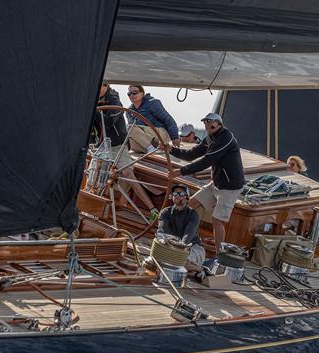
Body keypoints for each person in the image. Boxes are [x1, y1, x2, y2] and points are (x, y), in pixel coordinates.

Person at [166, 113, 245, 249]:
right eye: (205, 123)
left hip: (230, 188)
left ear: (219, 124)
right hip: (216, 184)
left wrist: (179, 172)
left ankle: (219, 255)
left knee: (217, 220)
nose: (207, 124)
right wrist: (171, 150)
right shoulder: (210, 138)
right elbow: (191, 155)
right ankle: (182, 237)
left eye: (210, 122)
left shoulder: (225, 137)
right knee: (190, 204)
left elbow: (206, 162)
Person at [93, 82, 155, 212]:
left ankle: (152, 209)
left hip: (117, 145)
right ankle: (90, 204)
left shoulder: (114, 100)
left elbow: (109, 121)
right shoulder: (92, 97)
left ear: (106, 86)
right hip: (100, 145)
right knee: (94, 171)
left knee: (127, 173)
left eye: (100, 85)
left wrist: (92, 110)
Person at [158, 184, 206, 280]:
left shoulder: (193, 215)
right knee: (156, 261)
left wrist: (177, 250)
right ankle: (194, 273)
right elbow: (163, 233)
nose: (177, 195)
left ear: (187, 197)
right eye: (175, 193)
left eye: (181, 193)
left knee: (176, 261)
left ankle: (200, 269)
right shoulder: (165, 212)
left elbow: (188, 235)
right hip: (172, 247)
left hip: (193, 248)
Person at [126, 84, 180, 153]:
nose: (131, 95)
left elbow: (168, 120)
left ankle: (152, 148)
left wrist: (175, 137)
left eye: (135, 93)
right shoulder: (129, 111)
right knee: (130, 141)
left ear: (142, 94)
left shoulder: (152, 103)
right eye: (129, 93)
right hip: (145, 136)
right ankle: (156, 149)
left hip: (160, 134)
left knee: (130, 128)